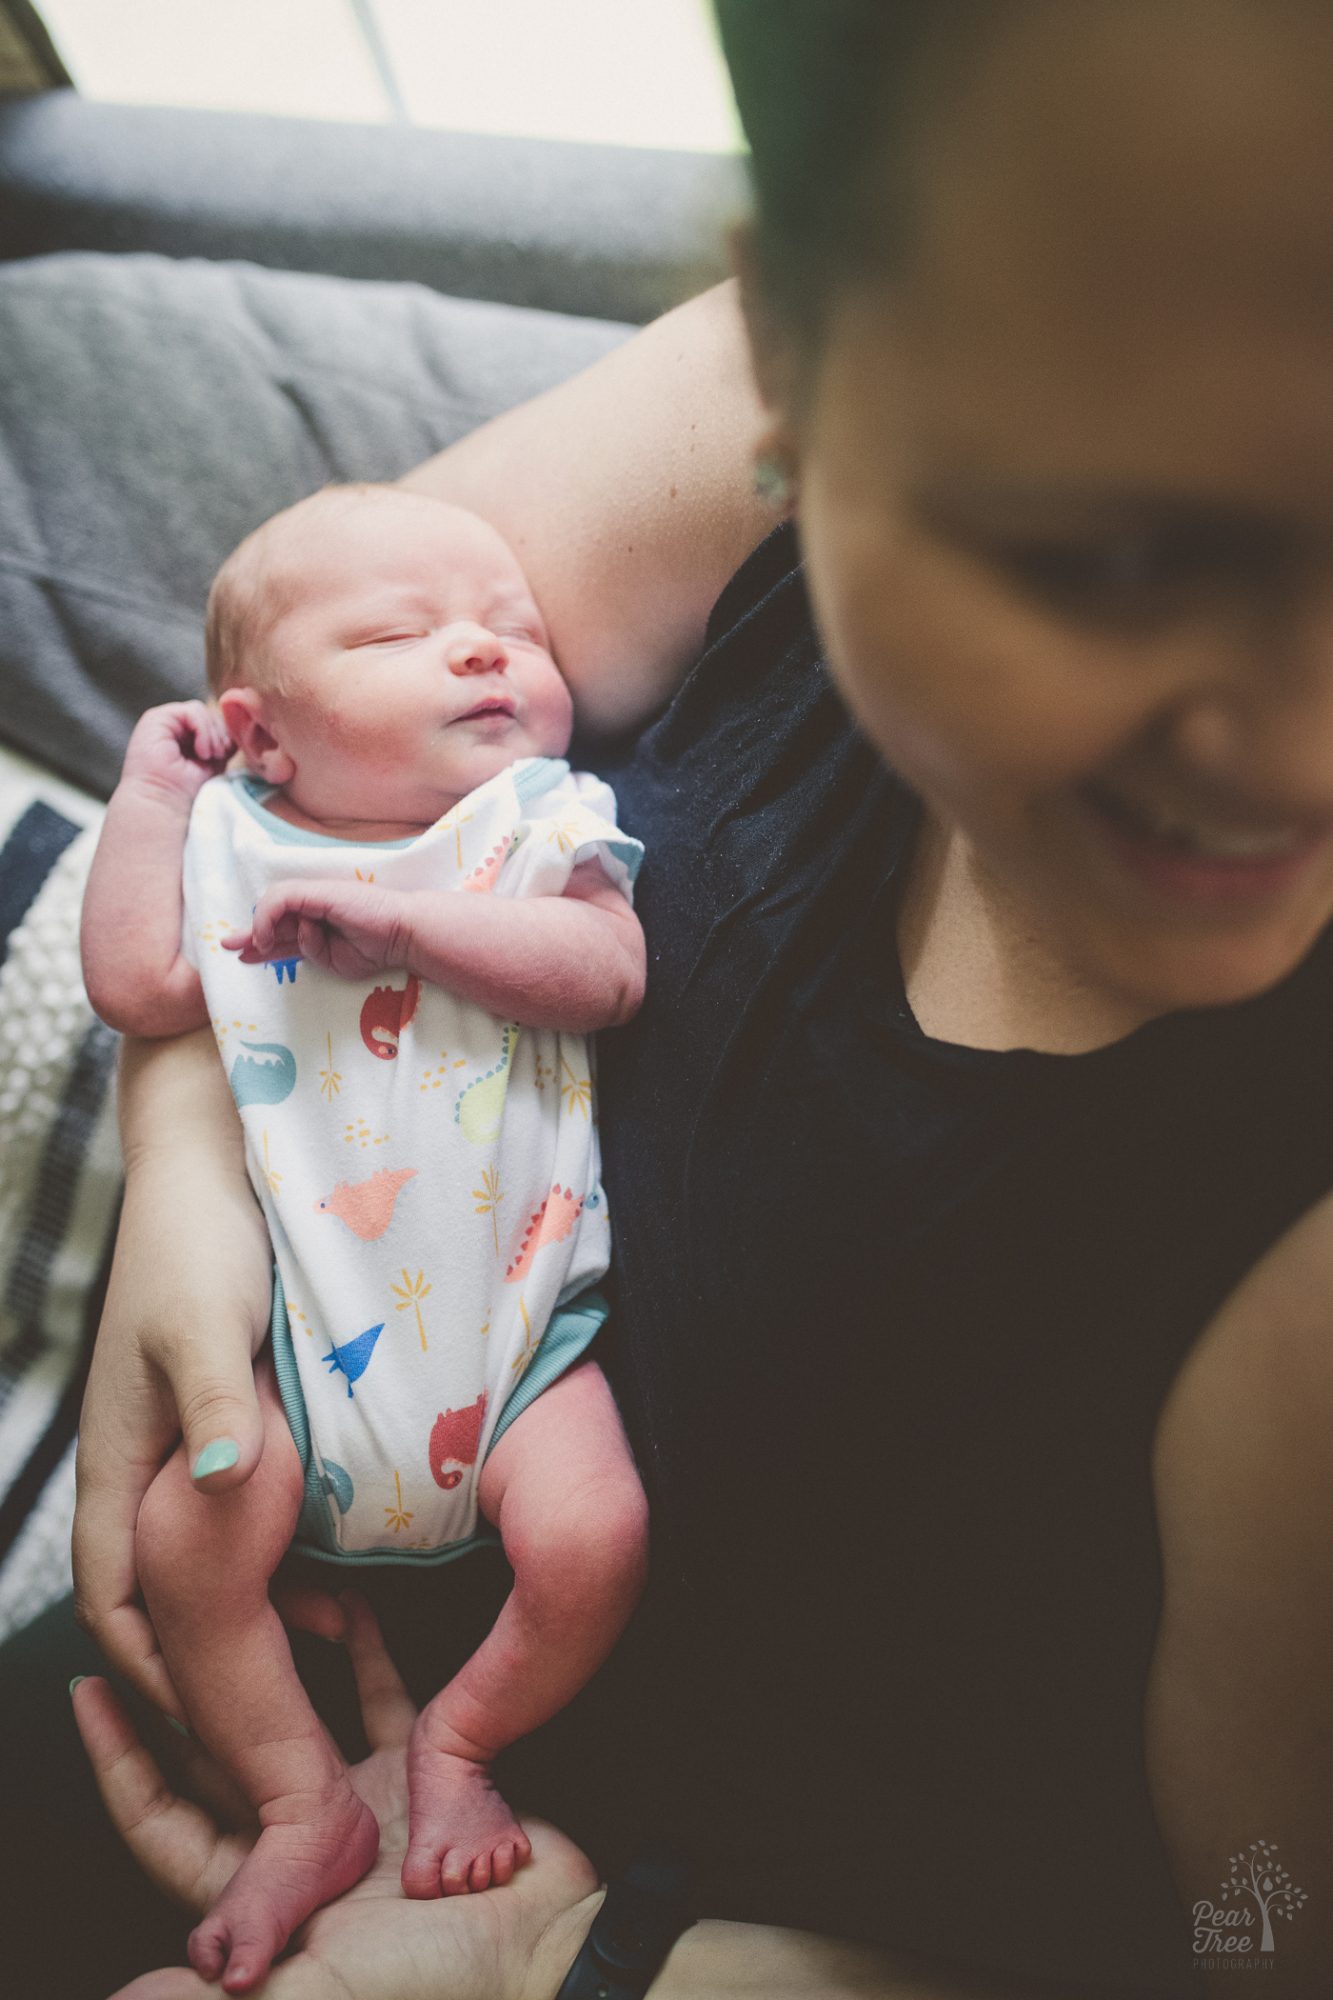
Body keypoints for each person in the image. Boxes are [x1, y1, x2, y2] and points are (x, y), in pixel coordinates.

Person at [9, 0, 1333, 1993]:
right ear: (797, 356)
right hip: (254, 1684)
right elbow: (285, 714)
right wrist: (200, 1155)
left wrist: (578, 1964)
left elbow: (1254, 1936)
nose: (1297, 739)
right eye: (1109, 554)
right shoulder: (820, 345)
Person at [77, 485, 649, 1991]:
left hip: (521, 1348)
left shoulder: (533, 825)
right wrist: (151, 805)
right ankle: (299, 1802)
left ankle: (460, 1741)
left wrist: (413, 932)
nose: (482, 652)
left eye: (511, 633)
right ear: (260, 733)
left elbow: (603, 972)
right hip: (294, 1368)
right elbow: (142, 990)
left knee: (595, 1539)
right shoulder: (229, 845)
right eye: (408, 633)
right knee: (185, 1539)